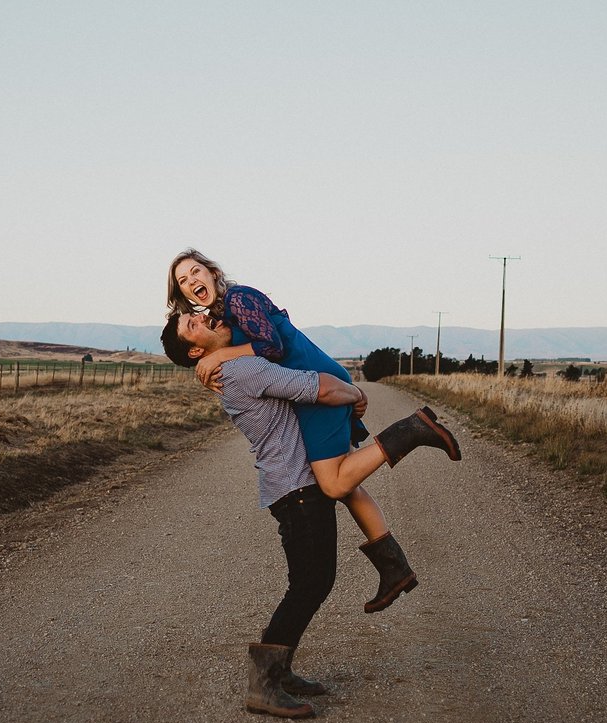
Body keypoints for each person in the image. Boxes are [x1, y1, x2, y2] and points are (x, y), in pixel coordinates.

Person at [160, 305, 461, 718]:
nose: (204, 319)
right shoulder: (241, 371)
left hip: (294, 488)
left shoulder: (234, 367)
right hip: (297, 491)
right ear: (195, 353)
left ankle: (278, 672)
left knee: (309, 582)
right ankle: (263, 684)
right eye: (192, 326)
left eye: (197, 316)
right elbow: (319, 388)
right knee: (310, 584)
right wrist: (355, 393)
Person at [165, 249, 422, 610]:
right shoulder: (221, 320)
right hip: (310, 389)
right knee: (347, 486)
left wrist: (220, 356)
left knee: (333, 482)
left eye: (195, 272)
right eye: (183, 280)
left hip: (319, 388)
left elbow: (272, 346)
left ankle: (411, 430)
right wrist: (212, 356)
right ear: (183, 295)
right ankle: (394, 569)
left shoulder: (239, 298)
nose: (192, 281)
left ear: (212, 272)